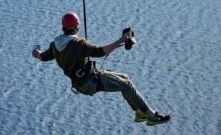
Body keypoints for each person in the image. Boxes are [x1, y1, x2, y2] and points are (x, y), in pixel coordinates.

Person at [32, 11, 171, 126]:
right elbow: (100, 51)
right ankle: (151, 115)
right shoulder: (79, 44)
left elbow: (41, 56)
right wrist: (121, 40)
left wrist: (36, 51)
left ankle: (139, 113)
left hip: (81, 82)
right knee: (126, 85)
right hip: (90, 82)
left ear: (63, 27)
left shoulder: (55, 45)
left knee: (125, 78)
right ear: (76, 27)